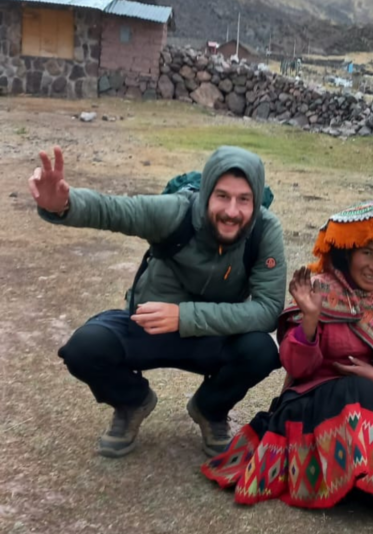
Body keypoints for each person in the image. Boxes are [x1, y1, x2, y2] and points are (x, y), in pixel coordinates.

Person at [28, 145, 286, 458]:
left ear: (256, 199)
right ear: (206, 193)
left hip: (211, 335)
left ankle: (210, 409)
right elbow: (115, 210)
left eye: (243, 199)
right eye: (222, 196)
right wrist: (64, 206)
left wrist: (184, 316)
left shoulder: (264, 230)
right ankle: (131, 401)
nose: (232, 211)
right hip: (148, 324)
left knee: (260, 351)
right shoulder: (175, 211)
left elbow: (268, 309)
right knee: (85, 349)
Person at [202, 201, 373, 522]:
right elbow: (295, 367)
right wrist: (311, 319)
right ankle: (352, 479)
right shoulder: (319, 291)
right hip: (313, 404)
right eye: (367, 253)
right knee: (353, 393)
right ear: (348, 253)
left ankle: (362, 480)